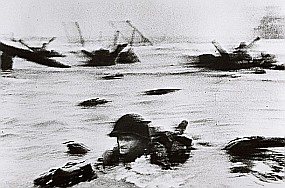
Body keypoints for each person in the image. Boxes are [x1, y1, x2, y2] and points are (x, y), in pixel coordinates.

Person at [101, 113, 193, 170]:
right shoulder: (116, 152)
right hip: (150, 136)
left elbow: (164, 173)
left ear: (142, 141)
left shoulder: (157, 150)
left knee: (174, 135)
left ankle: (180, 128)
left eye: (128, 139)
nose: (121, 144)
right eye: (120, 139)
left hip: (169, 142)